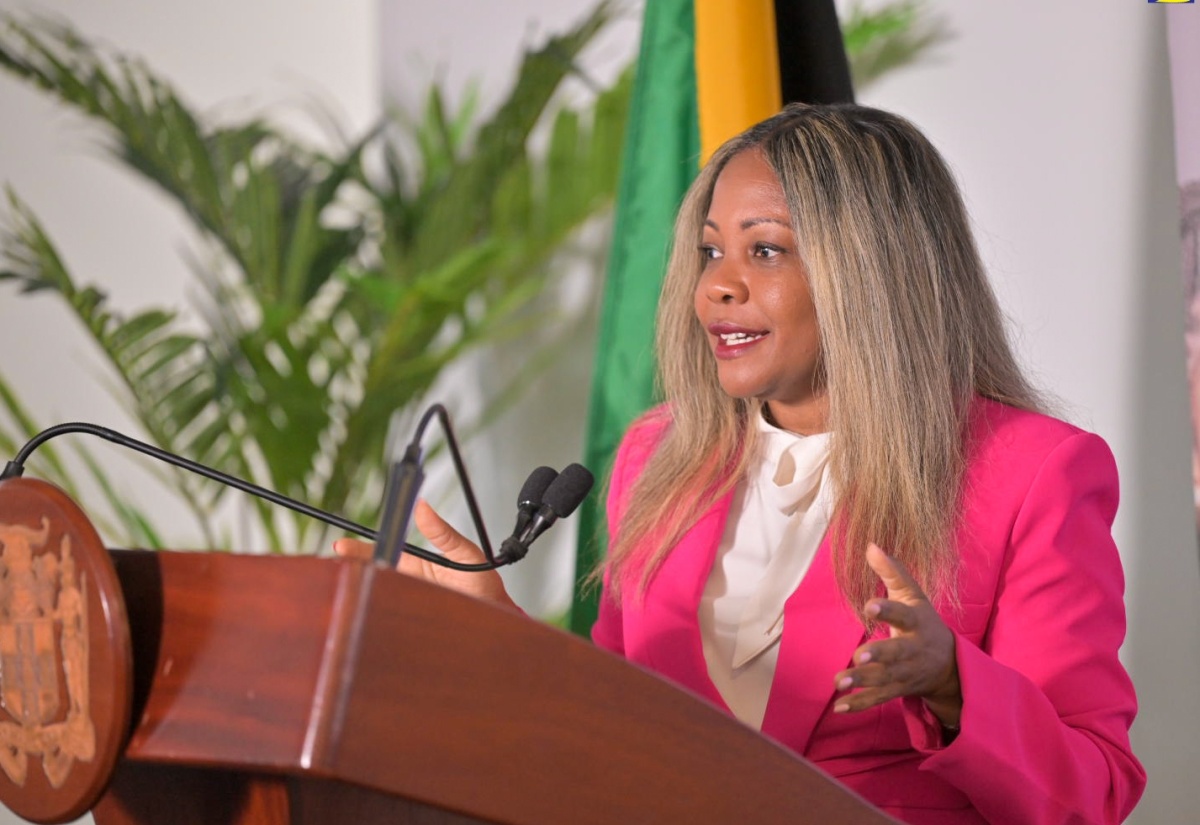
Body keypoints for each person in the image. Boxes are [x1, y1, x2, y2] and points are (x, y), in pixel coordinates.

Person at [337, 103, 1146, 824]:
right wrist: (498, 632)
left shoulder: (1031, 472)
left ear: (868, 274)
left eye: (764, 252)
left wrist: (951, 683)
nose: (715, 287)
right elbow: (619, 732)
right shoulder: (659, 457)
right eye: (709, 251)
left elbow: (1093, 793)